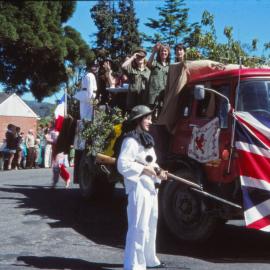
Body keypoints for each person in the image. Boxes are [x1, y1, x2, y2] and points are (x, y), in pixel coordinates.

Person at [117, 105, 168, 270]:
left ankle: (149, 259)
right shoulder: (130, 141)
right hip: (138, 188)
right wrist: (144, 169)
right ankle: (134, 265)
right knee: (138, 226)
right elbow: (122, 164)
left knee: (151, 224)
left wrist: (160, 171)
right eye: (147, 118)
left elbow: (151, 162)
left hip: (151, 188)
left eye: (150, 118)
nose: (150, 121)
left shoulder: (146, 140)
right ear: (138, 120)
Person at [147, 43, 170, 109]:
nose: (163, 52)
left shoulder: (170, 66)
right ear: (159, 53)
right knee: (150, 114)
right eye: (161, 51)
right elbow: (149, 64)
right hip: (153, 94)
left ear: (168, 53)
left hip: (164, 94)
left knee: (162, 114)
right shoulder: (155, 62)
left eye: (165, 51)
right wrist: (154, 51)